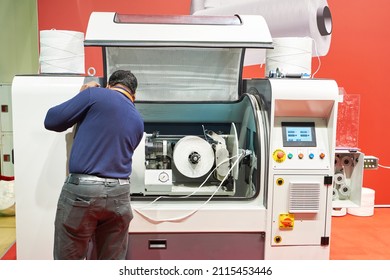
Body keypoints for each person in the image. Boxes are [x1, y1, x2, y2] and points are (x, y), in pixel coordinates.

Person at [44, 70, 144, 260]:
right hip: (120, 194)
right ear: (134, 96)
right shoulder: (138, 121)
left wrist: (82, 95)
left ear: (109, 85)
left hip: (84, 191)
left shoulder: (94, 94)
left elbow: (52, 120)